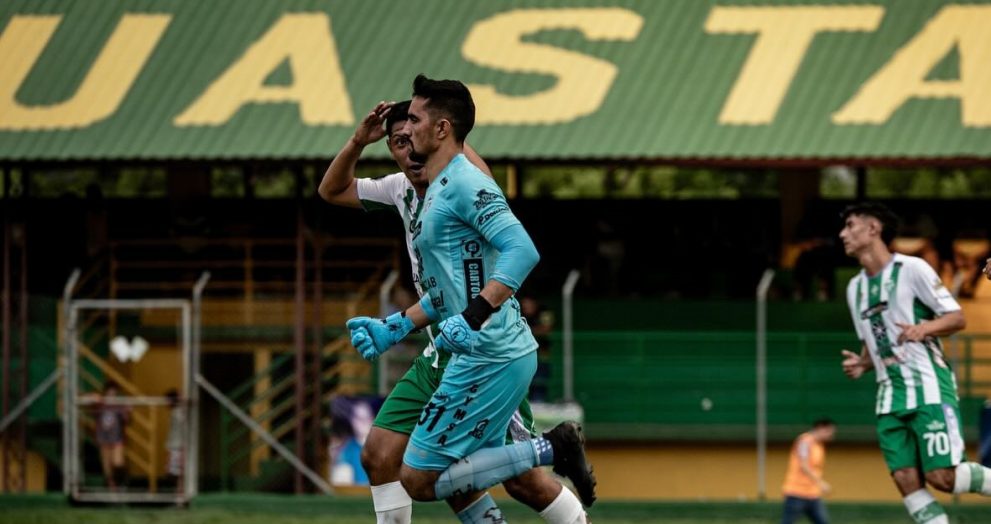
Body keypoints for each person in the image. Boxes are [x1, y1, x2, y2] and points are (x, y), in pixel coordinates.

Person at [320, 98, 590, 524]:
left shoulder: (465, 182)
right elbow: (331, 191)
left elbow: (515, 252)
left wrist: (447, 125)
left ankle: (567, 486)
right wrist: (397, 324)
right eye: (397, 142)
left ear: (435, 136)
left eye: (414, 137)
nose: (407, 151)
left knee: (520, 482)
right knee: (380, 455)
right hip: (440, 344)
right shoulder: (399, 189)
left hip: (485, 343)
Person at [839, 202, 991, 524]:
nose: (843, 234)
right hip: (888, 396)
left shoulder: (912, 269)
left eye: (850, 225)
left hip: (928, 386)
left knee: (942, 477)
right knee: (906, 479)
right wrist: (863, 363)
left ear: (873, 228)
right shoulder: (855, 289)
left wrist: (925, 328)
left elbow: (957, 318)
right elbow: (873, 343)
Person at [780, 419, 836, 524]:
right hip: (796, 493)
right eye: (829, 432)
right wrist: (821, 483)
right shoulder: (805, 441)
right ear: (821, 428)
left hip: (813, 494)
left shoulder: (819, 446)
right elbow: (804, 465)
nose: (831, 435)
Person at [92, 381, 130, 490]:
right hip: (103, 439)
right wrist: (94, 401)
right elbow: (93, 413)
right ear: (105, 393)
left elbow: (127, 420)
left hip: (116, 439)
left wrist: (128, 411)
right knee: (107, 466)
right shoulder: (100, 405)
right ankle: (111, 486)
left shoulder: (119, 406)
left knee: (118, 463)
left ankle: (121, 484)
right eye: (109, 394)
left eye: (114, 394)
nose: (111, 396)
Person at [164, 389, 185, 499]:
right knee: (175, 473)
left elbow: (179, 432)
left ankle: (180, 497)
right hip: (175, 446)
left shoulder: (178, 412)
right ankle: (178, 496)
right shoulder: (175, 412)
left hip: (178, 446)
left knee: (179, 473)